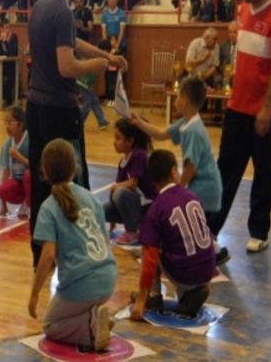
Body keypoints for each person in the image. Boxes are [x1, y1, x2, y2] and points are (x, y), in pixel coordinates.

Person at [26, 0, 127, 266]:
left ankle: (41, 253)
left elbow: (70, 44)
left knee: (42, 179)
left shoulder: (42, 7)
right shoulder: (64, 13)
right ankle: (80, 250)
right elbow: (67, 65)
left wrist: (104, 54)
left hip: (35, 106)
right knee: (73, 180)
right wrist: (97, 65)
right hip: (59, 110)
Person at [208, 0, 271, 257]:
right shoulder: (241, 10)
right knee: (225, 171)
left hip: (263, 114)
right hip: (236, 108)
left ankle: (259, 232)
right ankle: (210, 229)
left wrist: (266, 109)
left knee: (263, 172)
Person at [28, 139, 115, 353]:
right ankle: (95, 316)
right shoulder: (91, 198)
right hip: (109, 278)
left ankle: (91, 326)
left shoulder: (48, 207)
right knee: (71, 310)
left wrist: (34, 294)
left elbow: (48, 257)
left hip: (82, 285)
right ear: (75, 168)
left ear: (44, 171)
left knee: (49, 324)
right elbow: (104, 241)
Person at [130, 149, 215, 320]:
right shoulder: (192, 196)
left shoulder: (156, 208)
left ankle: (153, 297)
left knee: (149, 249)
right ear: (174, 172)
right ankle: (192, 292)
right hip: (208, 268)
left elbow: (150, 258)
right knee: (177, 244)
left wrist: (140, 299)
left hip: (185, 273)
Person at [131, 76, 222, 232]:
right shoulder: (186, 122)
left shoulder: (194, 130)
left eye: (178, 96)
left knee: (193, 231)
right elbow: (160, 134)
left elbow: (191, 167)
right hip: (203, 189)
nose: (175, 101)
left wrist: (177, 189)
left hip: (205, 191)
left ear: (185, 100)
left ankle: (215, 251)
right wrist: (139, 123)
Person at [105, 119, 157, 247]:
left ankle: (133, 232)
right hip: (135, 205)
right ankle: (134, 226)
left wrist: (115, 187)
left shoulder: (139, 155)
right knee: (102, 210)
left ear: (130, 141)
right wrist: (112, 219)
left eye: (118, 138)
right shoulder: (123, 161)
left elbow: (133, 183)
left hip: (147, 206)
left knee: (120, 193)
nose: (114, 142)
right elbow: (116, 189)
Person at [0, 106, 30, 218]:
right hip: (18, 183)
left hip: (33, 183)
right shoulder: (7, 144)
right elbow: (6, 173)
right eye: (5, 122)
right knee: (2, 190)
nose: (7, 126)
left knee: (28, 176)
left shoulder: (30, 140)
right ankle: (23, 199)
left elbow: (37, 167)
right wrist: (3, 204)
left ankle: (30, 205)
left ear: (21, 125)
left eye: (10, 122)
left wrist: (19, 157)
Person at [0, 19, 19, 106]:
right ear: (1, 29)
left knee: (9, 80)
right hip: (2, 65)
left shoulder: (14, 37)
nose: (8, 30)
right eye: (6, 28)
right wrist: (0, 41)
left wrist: (5, 42)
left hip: (12, 65)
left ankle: (8, 99)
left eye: (9, 27)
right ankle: (3, 96)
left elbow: (12, 53)